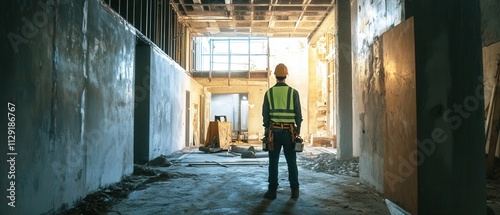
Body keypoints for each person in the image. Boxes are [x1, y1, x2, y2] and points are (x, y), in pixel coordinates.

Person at [262, 63, 303, 200]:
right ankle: (295, 191)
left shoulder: (269, 93)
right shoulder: (293, 93)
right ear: (286, 76)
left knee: (273, 161)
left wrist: (267, 131)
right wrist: (297, 132)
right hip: (289, 133)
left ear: (275, 76)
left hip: (274, 132)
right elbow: (298, 115)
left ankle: (272, 191)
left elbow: (265, 115)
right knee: (292, 161)